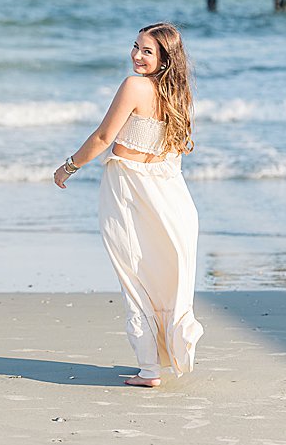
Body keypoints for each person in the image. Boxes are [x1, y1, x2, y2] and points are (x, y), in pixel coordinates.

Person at [53, 22, 203, 388]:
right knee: (159, 276)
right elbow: (172, 152)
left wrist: (68, 167)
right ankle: (157, 360)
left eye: (148, 51)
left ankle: (150, 368)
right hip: (169, 195)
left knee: (133, 272)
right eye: (136, 46)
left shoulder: (134, 86)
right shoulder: (178, 93)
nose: (137, 55)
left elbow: (104, 136)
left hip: (130, 190)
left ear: (165, 57)